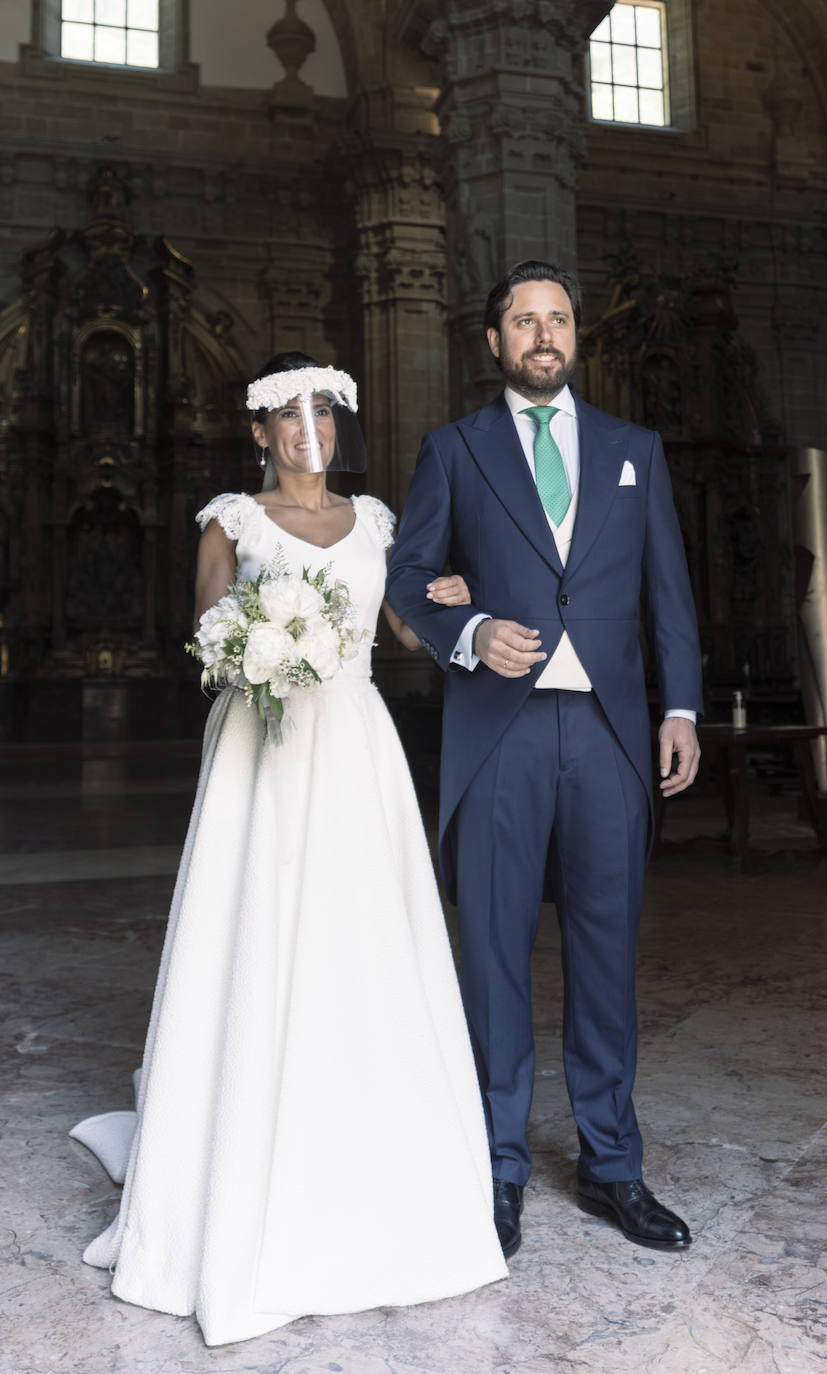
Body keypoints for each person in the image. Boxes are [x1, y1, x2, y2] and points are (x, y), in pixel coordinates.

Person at [70, 352, 507, 1347]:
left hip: (353, 748)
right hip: (260, 752)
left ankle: (364, 1148)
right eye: (288, 413)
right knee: (261, 937)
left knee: (363, 942)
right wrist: (262, 636)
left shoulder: (381, 522)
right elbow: (206, 632)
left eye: (324, 408)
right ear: (260, 430)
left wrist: (450, 601)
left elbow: (399, 630)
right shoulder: (232, 520)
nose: (309, 426)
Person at [386, 262, 703, 1260]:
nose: (542, 334)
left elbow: (668, 593)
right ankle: (496, 1170)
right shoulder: (454, 449)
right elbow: (404, 576)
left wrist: (681, 706)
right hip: (500, 735)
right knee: (492, 958)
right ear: (493, 342)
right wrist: (471, 630)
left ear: (575, 336)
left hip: (609, 733)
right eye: (523, 320)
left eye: (557, 318)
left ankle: (613, 1168)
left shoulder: (632, 451)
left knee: (606, 958)